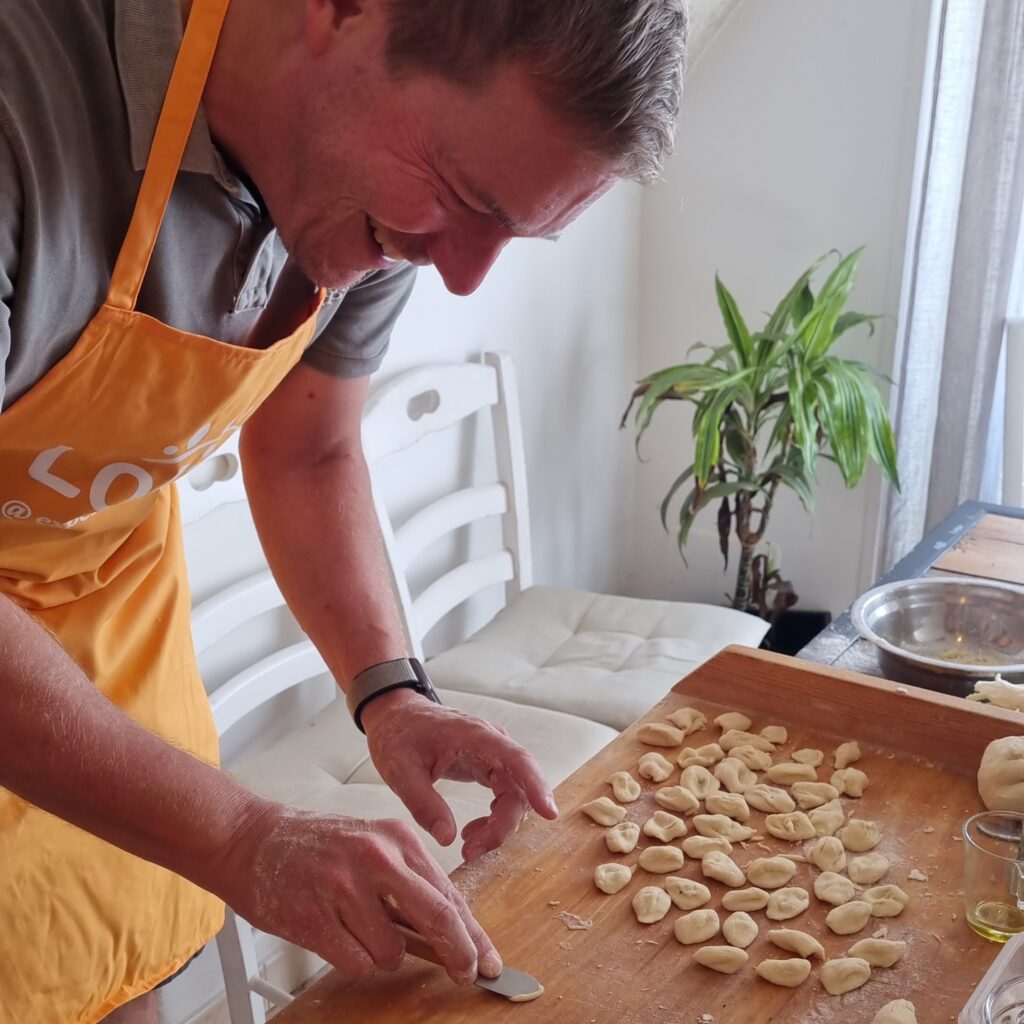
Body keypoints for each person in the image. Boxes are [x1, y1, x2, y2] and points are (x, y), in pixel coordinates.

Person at [0, 0, 687, 1020]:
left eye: (509, 233)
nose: (459, 274)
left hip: (111, 672)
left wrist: (392, 694)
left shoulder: (375, 203)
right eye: (467, 198)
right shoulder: (24, 107)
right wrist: (242, 836)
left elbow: (308, 447)